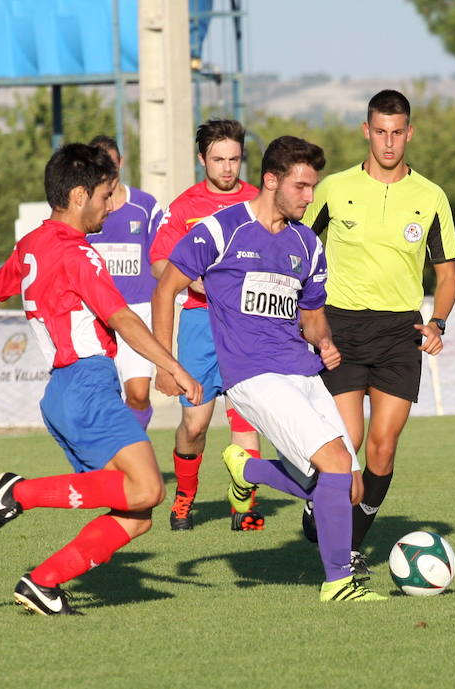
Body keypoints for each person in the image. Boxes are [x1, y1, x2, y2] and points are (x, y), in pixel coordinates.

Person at [0, 143, 202, 615]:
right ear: (79, 196)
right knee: (149, 489)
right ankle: (18, 493)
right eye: (104, 195)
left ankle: (43, 581)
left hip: (62, 394)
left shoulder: (33, 243)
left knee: (136, 517)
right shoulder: (80, 255)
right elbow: (123, 319)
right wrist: (173, 366)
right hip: (87, 385)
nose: (109, 205)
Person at [152, 135, 384, 601]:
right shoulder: (221, 230)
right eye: (301, 186)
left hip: (302, 369)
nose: (309, 197)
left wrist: (323, 340)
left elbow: (312, 311)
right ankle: (339, 583)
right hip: (251, 375)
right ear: (272, 180)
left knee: (351, 489)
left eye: (313, 187)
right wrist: (166, 363)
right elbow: (165, 289)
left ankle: (248, 468)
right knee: (336, 466)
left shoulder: (308, 243)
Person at [301, 89, 455, 575]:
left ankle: (351, 543)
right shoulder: (334, 188)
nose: (389, 142)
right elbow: (301, 244)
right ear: (366, 131)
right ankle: (320, 501)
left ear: (409, 133)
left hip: (399, 331)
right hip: (342, 326)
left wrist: (438, 323)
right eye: (380, 132)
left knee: (383, 449)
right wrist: (303, 314)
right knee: (346, 446)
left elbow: (448, 272)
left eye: (398, 133)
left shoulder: (430, 196)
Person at [149, 119, 263, 532]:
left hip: (250, 326)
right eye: (218, 159)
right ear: (203, 160)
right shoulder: (183, 208)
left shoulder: (259, 201)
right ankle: (184, 498)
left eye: (234, 159)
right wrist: (195, 280)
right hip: (200, 324)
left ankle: (243, 508)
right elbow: (161, 261)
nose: (228, 168)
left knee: (247, 419)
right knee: (194, 425)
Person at [86, 135, 163, 429]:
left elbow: (160, 260)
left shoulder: (145, 207)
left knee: (139, 394)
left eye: (112, 165)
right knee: (103, 399)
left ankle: (131, 453)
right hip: (96, 315)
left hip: (138, 312)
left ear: (120, 164)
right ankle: (112, 465)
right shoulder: (84, 214)